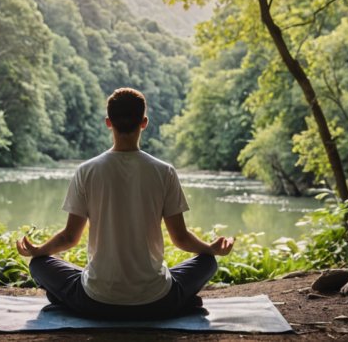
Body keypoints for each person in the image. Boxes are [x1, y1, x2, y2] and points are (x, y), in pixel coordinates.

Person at [16, 87, 234, 319]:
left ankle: (68, 302)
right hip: (157, 300)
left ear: (108, 122)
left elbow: (70, 238)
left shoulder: (86, 171)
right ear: (144, 122)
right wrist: (211, 249)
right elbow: (180, 238)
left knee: (38, 265)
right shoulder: (164, 172)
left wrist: (38, 250)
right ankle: (180, 303)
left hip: (96, 301)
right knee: (208, 262)